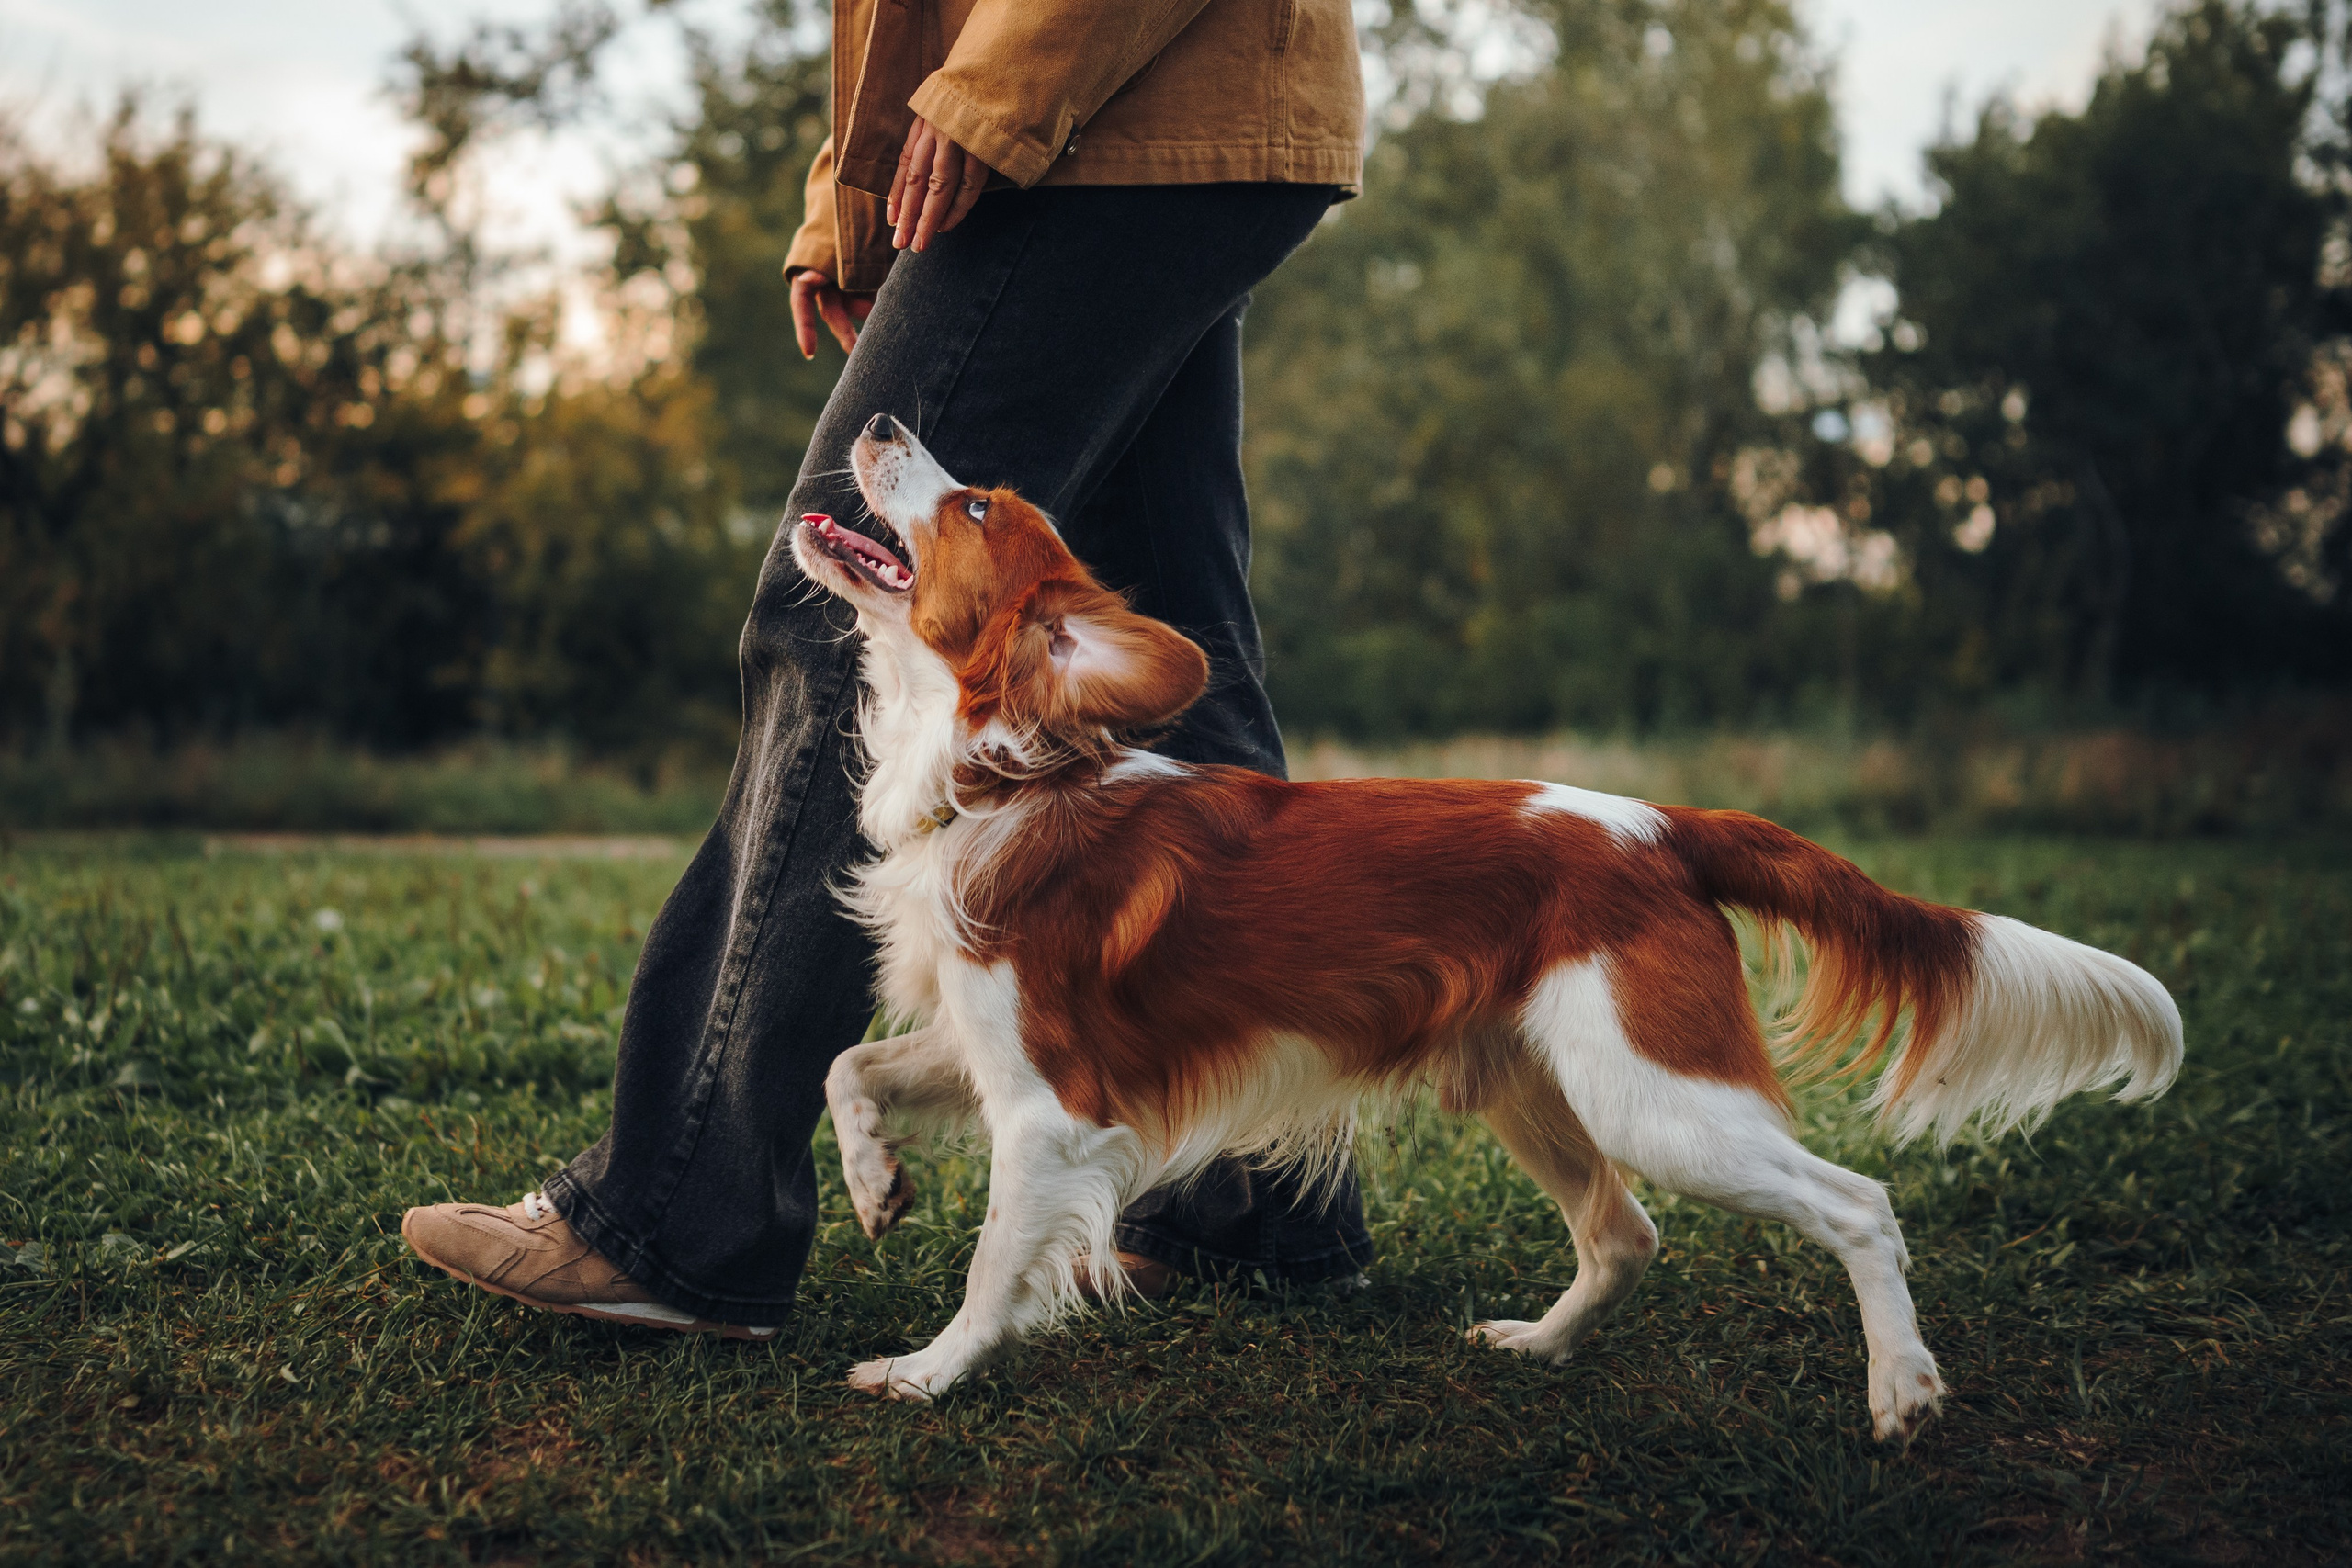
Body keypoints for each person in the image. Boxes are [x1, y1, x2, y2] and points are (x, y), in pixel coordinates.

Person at [401, 0, 1373, 1340]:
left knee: (842, 600)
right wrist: (847, 203)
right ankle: (1248, 1198)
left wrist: (989, 103)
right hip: (1171, 108)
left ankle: (681, 1216)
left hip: (1101, 105)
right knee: (1158, 653)